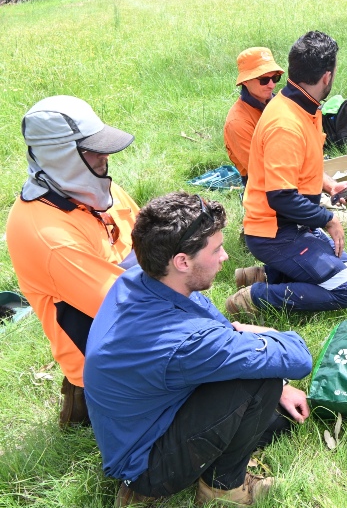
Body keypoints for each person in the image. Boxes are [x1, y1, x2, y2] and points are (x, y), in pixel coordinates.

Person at [84, 192, 313, 506]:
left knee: (276, 414)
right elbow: (299, 358)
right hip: (148, 467)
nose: (225, 257)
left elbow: (212, 322)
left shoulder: (142, 276)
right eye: (216, 249)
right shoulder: (184, 341)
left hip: (146, 421)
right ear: (182, 261)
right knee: (263, 380)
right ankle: (222, 490)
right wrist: (268, 333)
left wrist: (281, 385)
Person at [5, 95, 138, 428]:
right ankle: (85, 404)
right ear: (62, 158)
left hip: (129, 330)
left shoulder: (97, 188)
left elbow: (153, 242)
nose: (106, 156)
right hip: (107, 362)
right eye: (94, 151)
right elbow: (131, 307)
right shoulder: (46, 234)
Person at [226, 31, 347, 317]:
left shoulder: (303, 106)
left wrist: (331, 187)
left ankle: (266, 276)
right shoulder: (285, 124)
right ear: (327, 76)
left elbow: (300, 170)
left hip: (294, 224)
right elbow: (281, 198)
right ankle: (255, 296)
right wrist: (328, 219)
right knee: (346, 289)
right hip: (276, 233)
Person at [224, 47, 285, 184]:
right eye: (264, 80)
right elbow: (261, 171)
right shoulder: (237, 122)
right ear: (245, 81)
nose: (271, 85)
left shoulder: (281, 104)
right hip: (265, 188)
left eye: (275, 78)